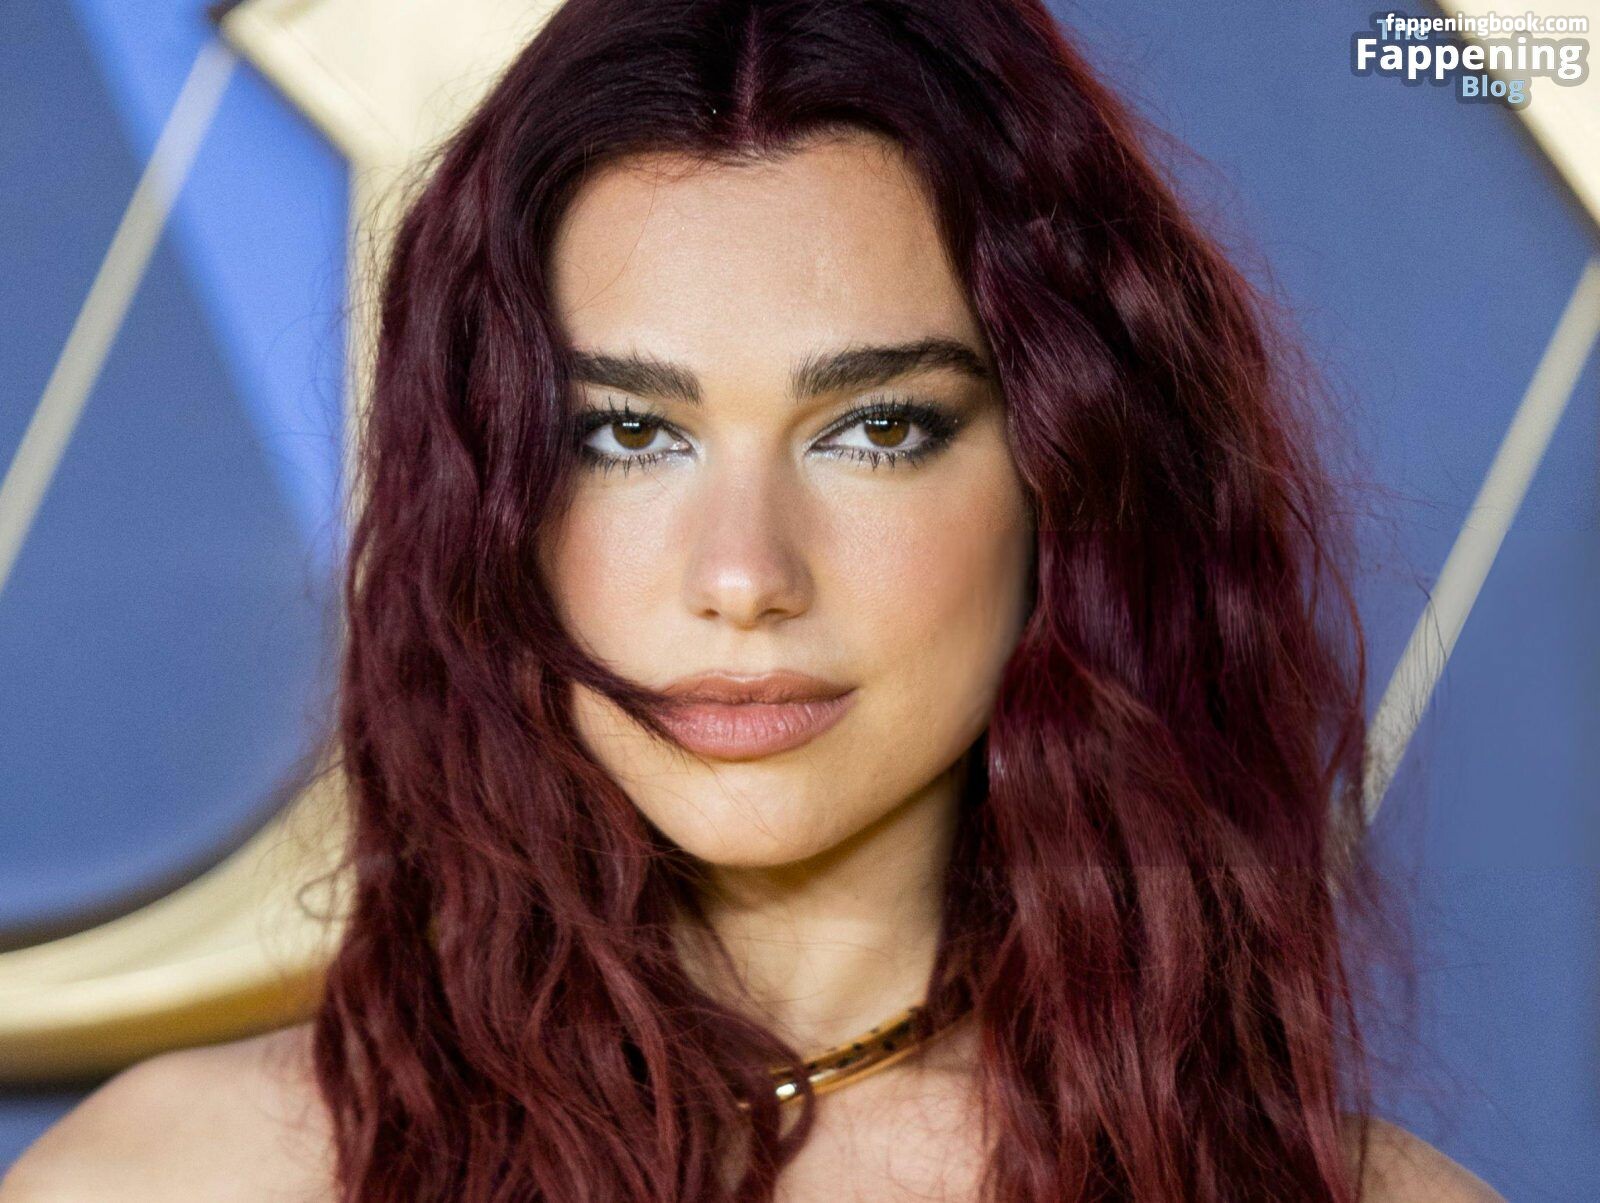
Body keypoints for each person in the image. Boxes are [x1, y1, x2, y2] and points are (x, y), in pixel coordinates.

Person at [2, 1, 1506, 1199]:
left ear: (1072, 478)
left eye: (879, 429)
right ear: (488, 502)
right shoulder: (173, 1178)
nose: (741, 576)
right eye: (625, 434)